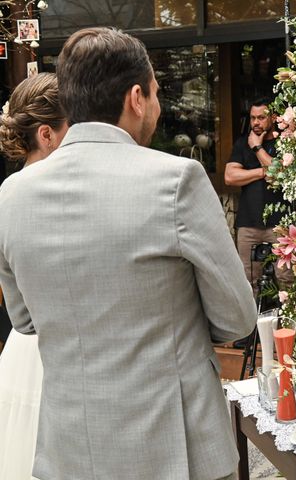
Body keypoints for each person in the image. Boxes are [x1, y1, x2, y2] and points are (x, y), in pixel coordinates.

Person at [0, 27, 255, 480]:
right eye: (156, 93)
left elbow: (25, 320)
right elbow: (236, 317)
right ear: (136, 97)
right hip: (175, 445)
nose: (157, 106)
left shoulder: (12, 195)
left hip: (71, 448)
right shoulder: (177, 180)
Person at [0, 72, 68, 480]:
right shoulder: (60, 192)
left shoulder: (6, 192)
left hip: (21, 349)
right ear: (47, 134)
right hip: (59, 356)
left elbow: (15, 302)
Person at [224, 97, 292, 293]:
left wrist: (257, 148)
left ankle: (288, 322)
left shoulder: (285, 143)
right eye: (253, 118)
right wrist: (262, 172)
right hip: (248, 223)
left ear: (272, 117)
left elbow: (281, 174)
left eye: (261, 118)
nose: (255, 122)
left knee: (286, 279)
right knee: (247, 280)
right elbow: (230, 176)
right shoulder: (241, 144)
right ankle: (251, 324)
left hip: (281, 224)